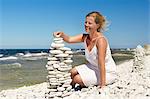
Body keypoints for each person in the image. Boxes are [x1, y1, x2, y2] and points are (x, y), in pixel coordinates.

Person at [54, 11, 117, 88]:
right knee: (72, 72)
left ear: (97, 25)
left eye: (89, 23)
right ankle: (69, 87)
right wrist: (62, 34)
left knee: (77, 78)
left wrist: (102, 85)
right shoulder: (85, 37)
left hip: (107, 72)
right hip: (92, 67)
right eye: (85, 22)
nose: (86, 25)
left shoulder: (101, 40)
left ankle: (75, 84)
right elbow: (69, 39)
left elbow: (101, 63)